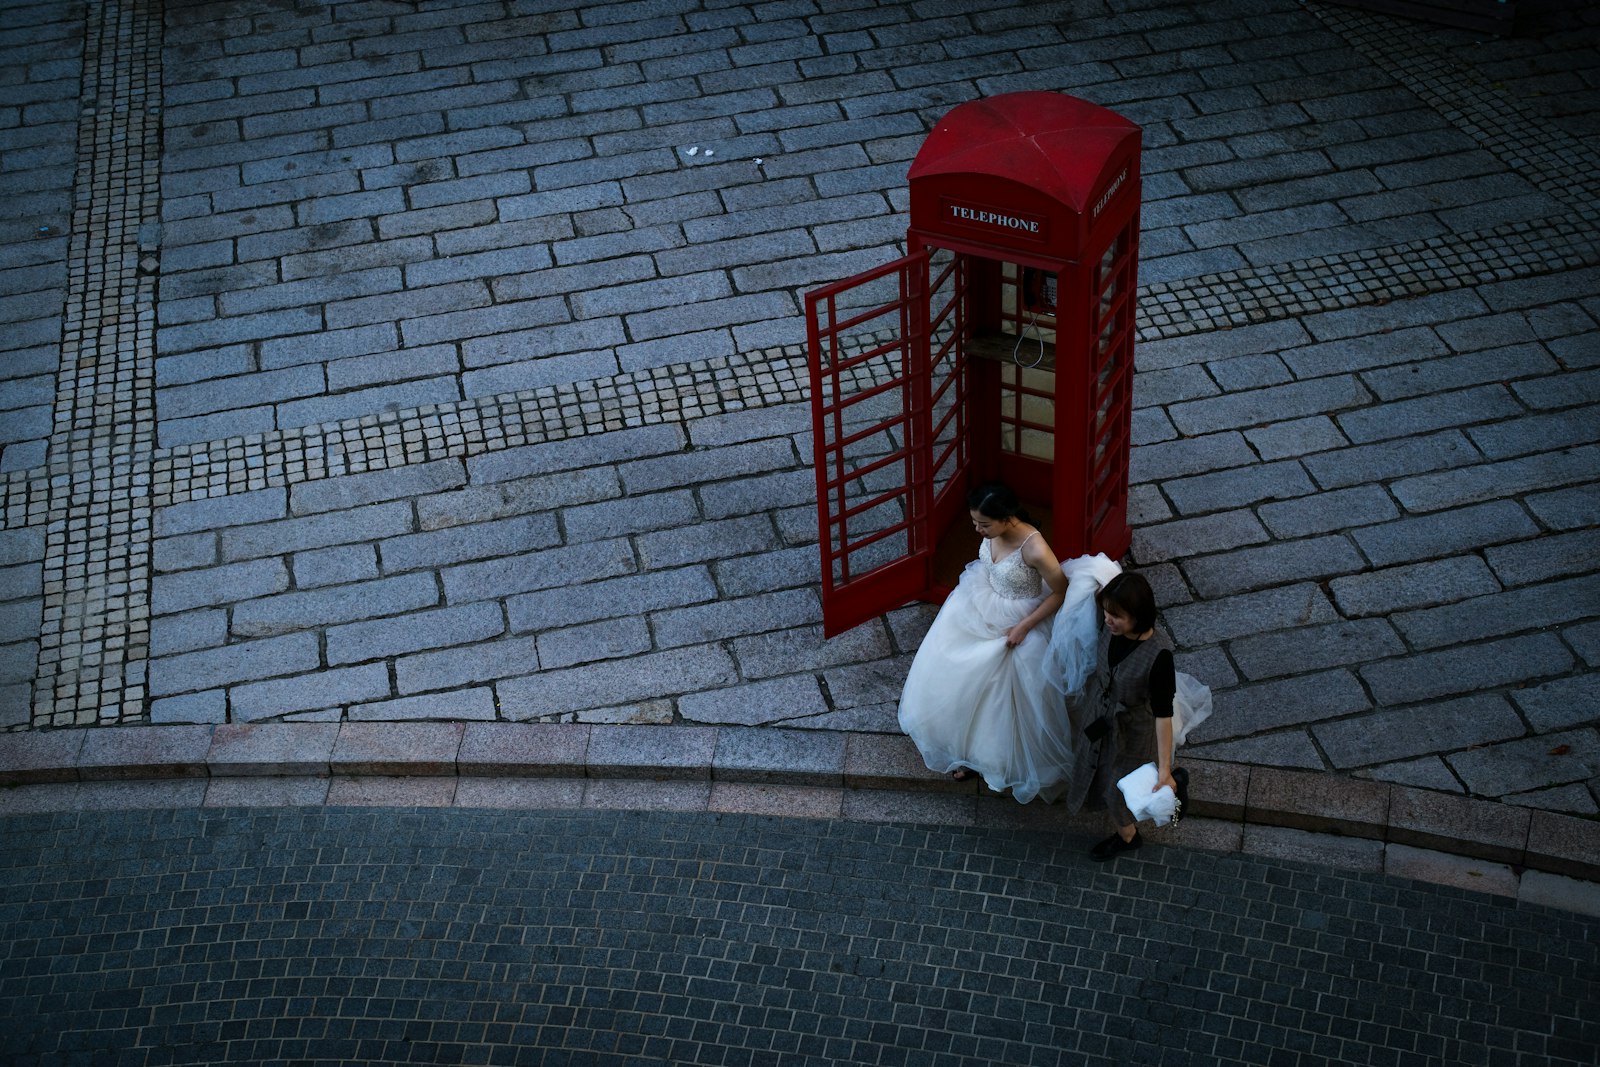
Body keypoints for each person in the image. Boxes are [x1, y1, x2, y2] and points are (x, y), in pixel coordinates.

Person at [897, 482, 1074, 804]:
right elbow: (988, 565)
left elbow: (1062, 590)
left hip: (1018, 621)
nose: (977, 530)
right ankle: (963, 752)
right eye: (974, 522)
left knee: (999, 699)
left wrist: (1024, 626)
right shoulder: (990, 534)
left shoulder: (1035, 548)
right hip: (978, 606)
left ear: (1007, 518)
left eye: (984, 524)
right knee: (959, 685)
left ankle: (993, 763)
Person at [1077, 571, 1187, 862]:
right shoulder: (1110, 623)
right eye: (1107, 612)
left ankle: (1128, 837)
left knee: (1117, 791)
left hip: (1133, 733)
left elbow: (1164, 715)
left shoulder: (1159, 656)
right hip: (1099, 715)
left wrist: (1164, 769)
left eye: (1117, 616)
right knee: (1094, 768)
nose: (1108, 620)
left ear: (1139, 616)